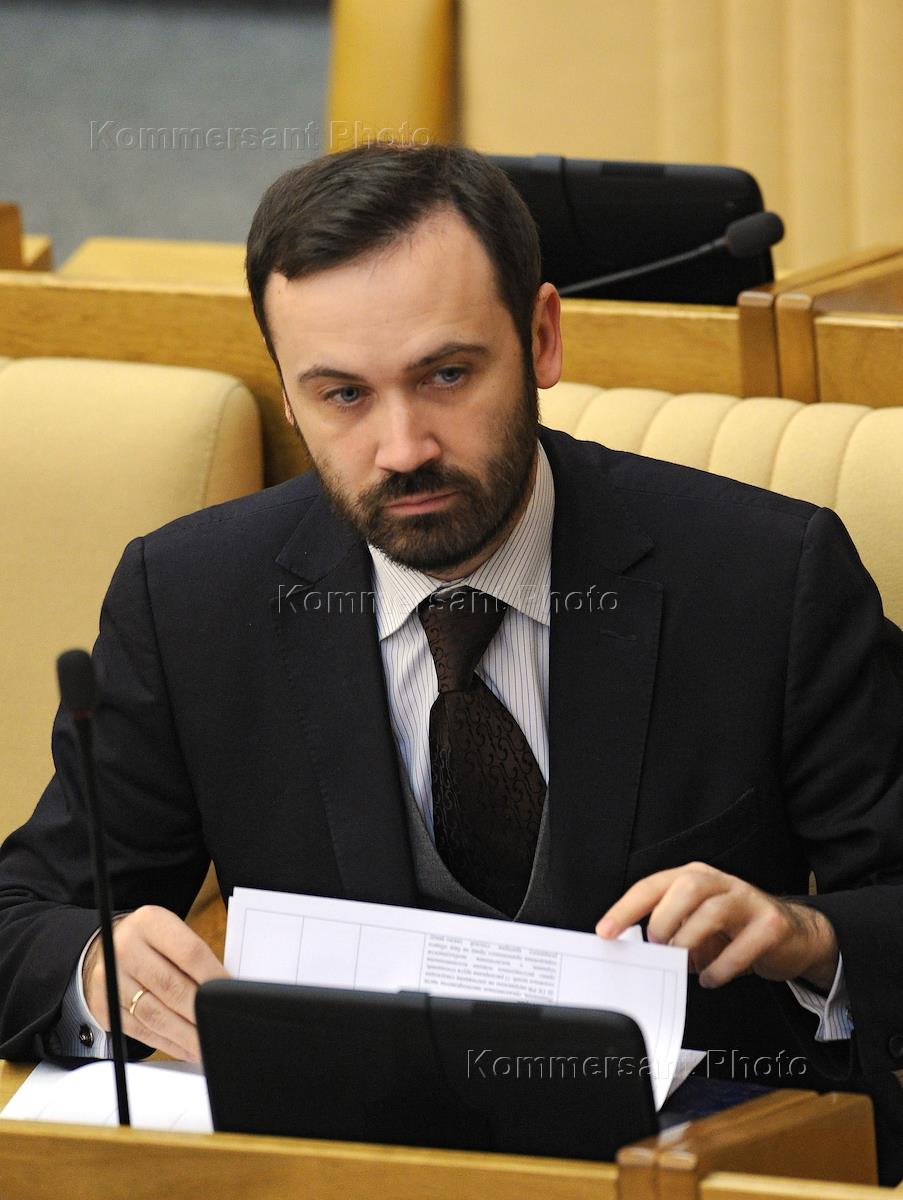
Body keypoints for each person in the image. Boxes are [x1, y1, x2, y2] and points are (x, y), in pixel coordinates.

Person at [1, 144, 902, 1179]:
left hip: (683, 1173)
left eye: (446, 375)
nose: (403, 449)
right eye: (343, 395)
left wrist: (804, 935)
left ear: (542, 338)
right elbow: (22, 918)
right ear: (288, 396)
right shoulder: (193, 601)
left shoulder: (764, 578)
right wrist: (93, 968)